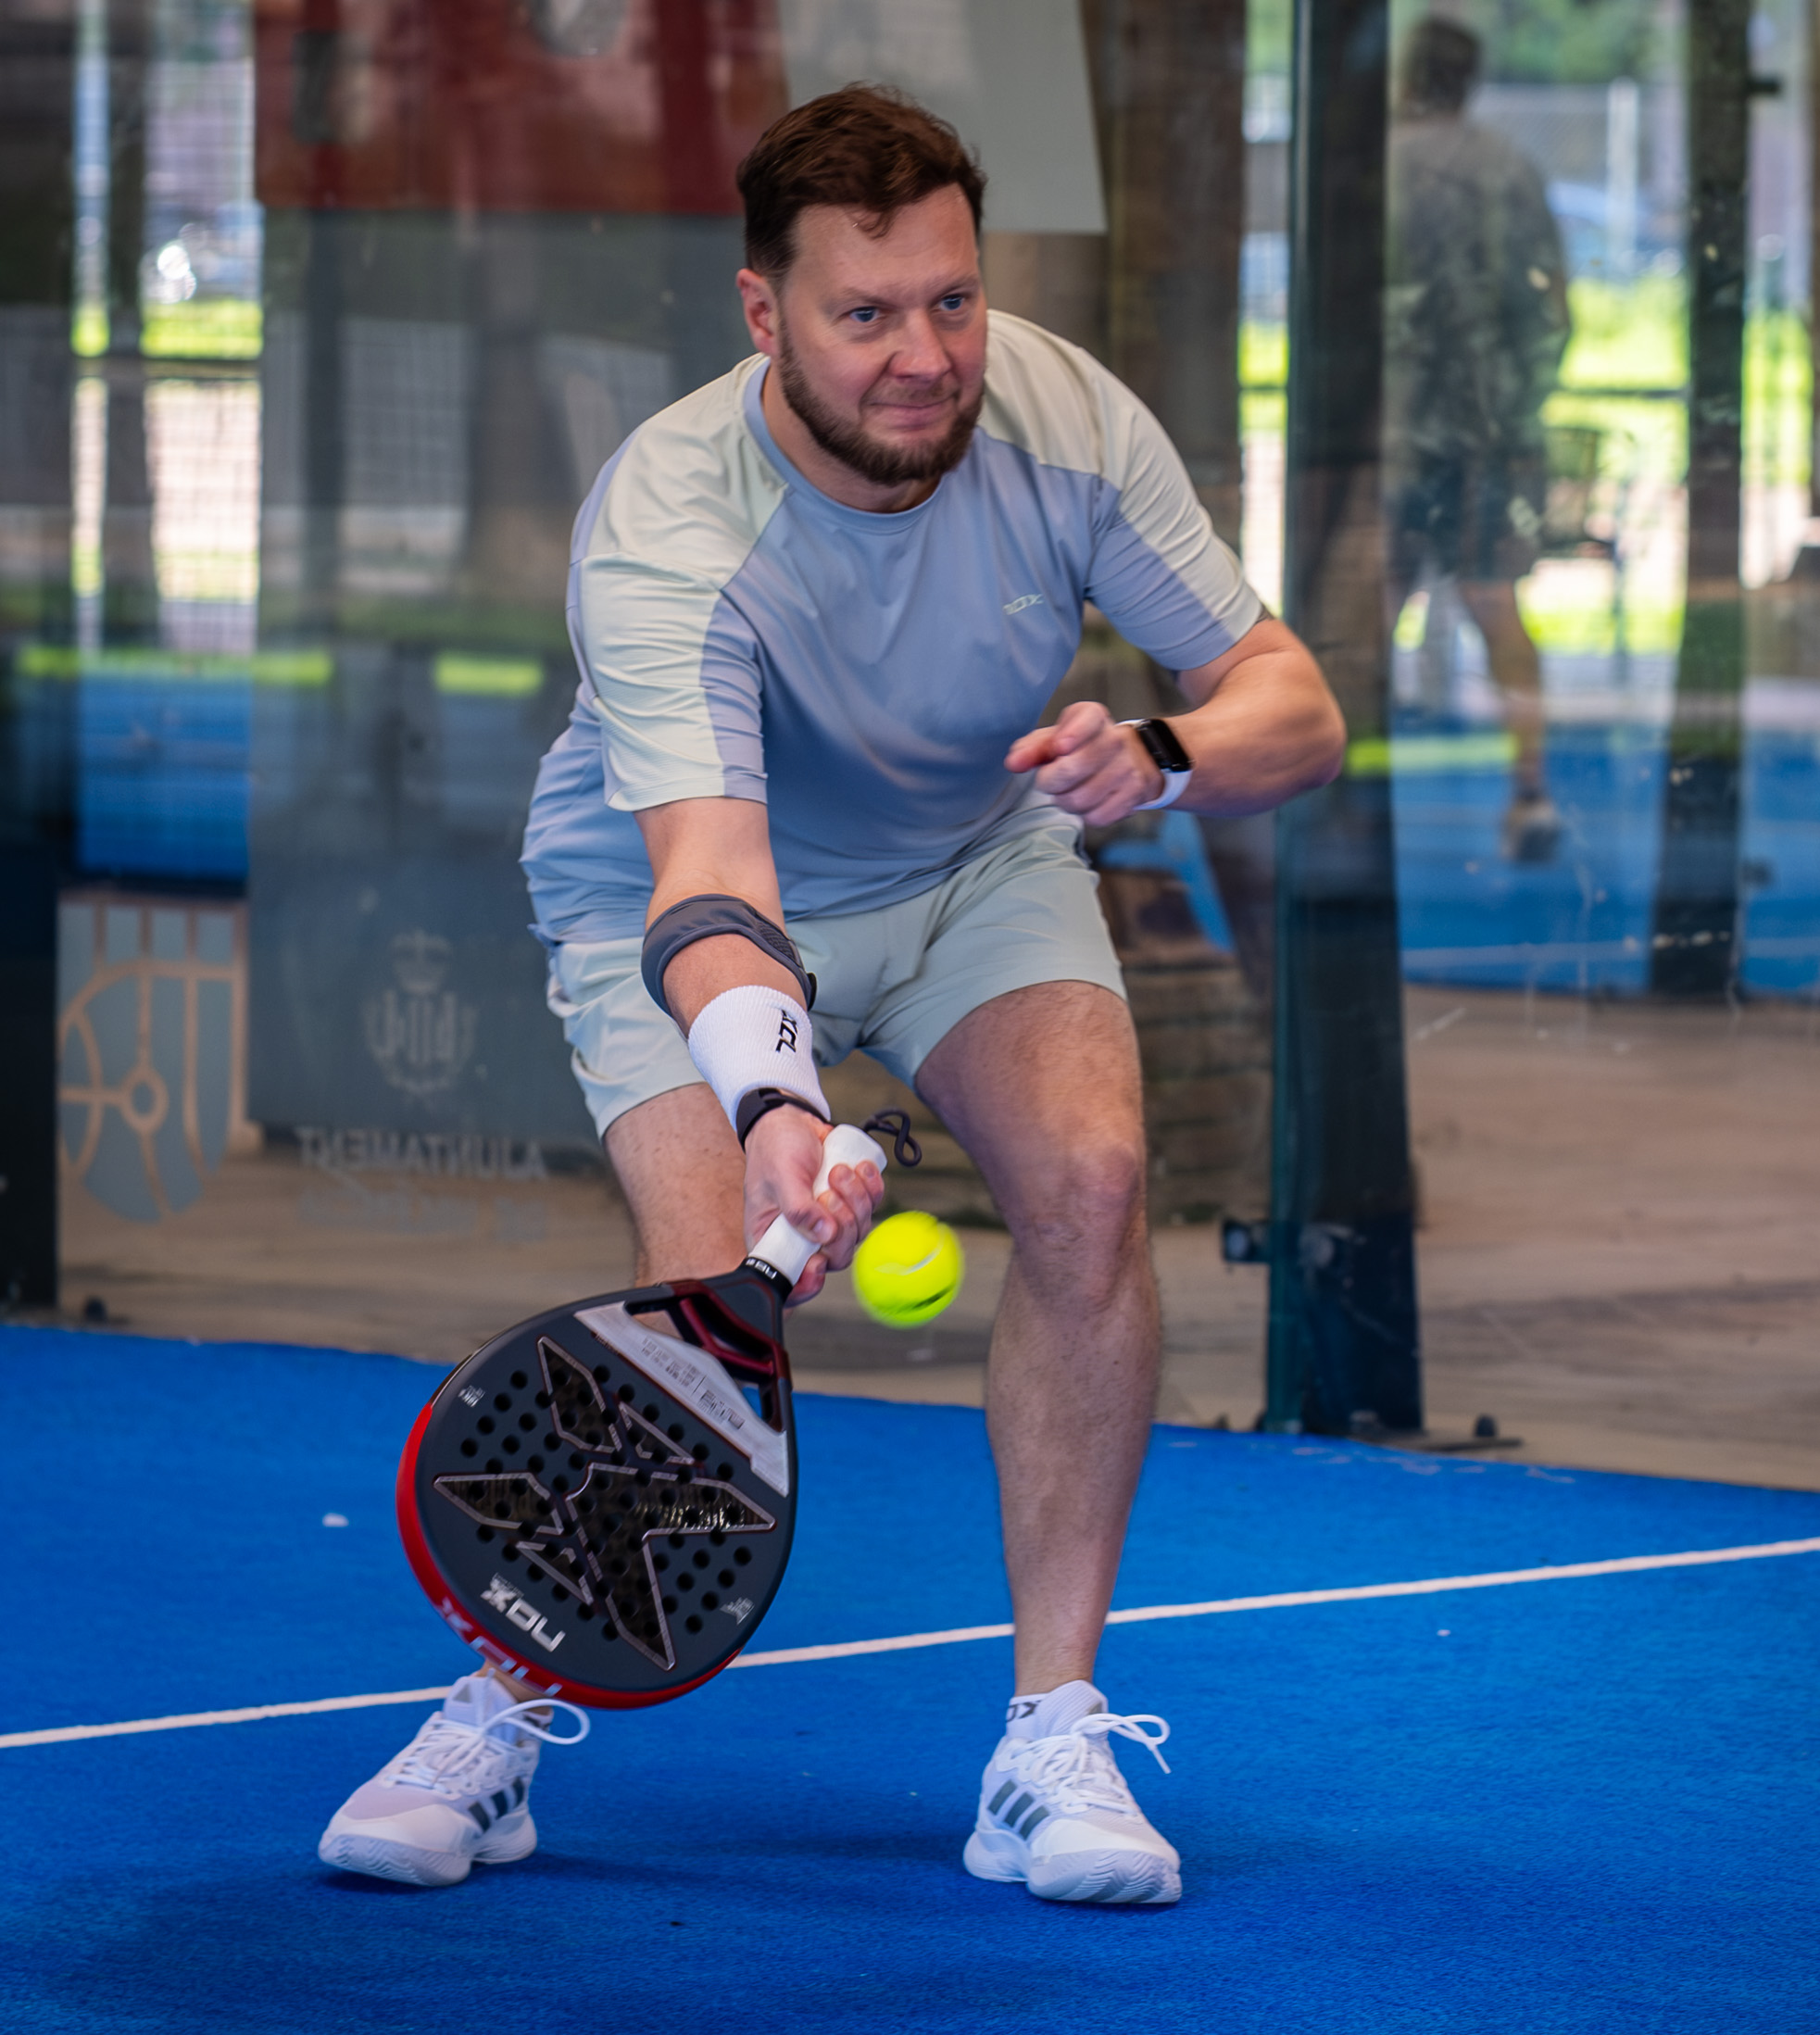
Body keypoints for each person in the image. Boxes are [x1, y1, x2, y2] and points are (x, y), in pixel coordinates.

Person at [317, 84, 1344, 1906]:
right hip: (681, 887)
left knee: (1094, 1184)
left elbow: (1295, 702)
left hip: (973, 863)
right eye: (866, 314)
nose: (926, 355)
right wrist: (782, 1099)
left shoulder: (1067, 420)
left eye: (949, 298)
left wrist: (1168, 757)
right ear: (762, 311)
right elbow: (714, 877)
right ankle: (505, 1707)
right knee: (699, 1288)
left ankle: (1052, 1739)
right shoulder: (669, 519)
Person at [1385, 18, 1571, 862]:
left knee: (1367, 612)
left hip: (1394, 439)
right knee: (1498, 606)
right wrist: (1516, 413)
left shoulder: (1380, 167)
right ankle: (1530, 794)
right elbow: (1550, 309)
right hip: (1486, 439)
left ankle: (1329, 794)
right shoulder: (1508, 169)